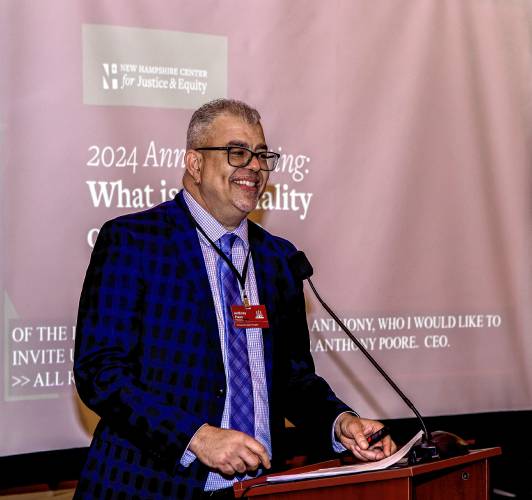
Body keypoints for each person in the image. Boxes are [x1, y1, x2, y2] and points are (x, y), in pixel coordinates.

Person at [73, 99, 396, 499]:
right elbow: (100, 372)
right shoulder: (134, 241)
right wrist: (196, 437)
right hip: (151, 487)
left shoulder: (278, 258)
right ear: (194, 163)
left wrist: (339, 421)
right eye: (237, 152)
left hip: (255, 490)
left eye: (262, 155)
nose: (255, 167)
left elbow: (291, 377)